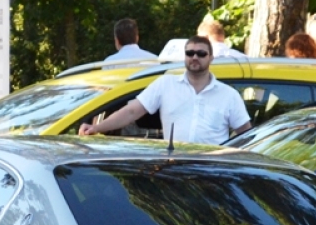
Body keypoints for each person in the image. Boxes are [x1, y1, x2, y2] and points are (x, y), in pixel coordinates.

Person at [77, 35, 250, 144]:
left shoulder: (229, 95)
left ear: (211, 58)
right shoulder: (165, 84)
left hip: (214, 174)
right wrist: (97, 128)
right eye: (190, 53)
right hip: (173, 171)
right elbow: (131, 112)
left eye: (201, 54)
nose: (194, 57)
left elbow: (246, 136)